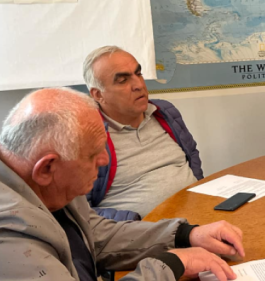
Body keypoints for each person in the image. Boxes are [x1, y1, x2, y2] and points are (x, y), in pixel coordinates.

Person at [0, 88, 244, 281]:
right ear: (46, 168)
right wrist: (171, 265)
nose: (105, 160)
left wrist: (185, 235)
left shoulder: (42, 178)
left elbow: (94, 234)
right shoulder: (2, 236)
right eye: (93, 155)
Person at [83, 46, 202, 219]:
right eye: (123, 80)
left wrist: (198, 190)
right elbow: (81, 211)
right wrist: (132, 222)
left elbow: (192, 155)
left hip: (199, 213)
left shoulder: (165, 112)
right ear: (98, 95)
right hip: (143, 231)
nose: (139, 85)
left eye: (138, 74)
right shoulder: (85, 136)